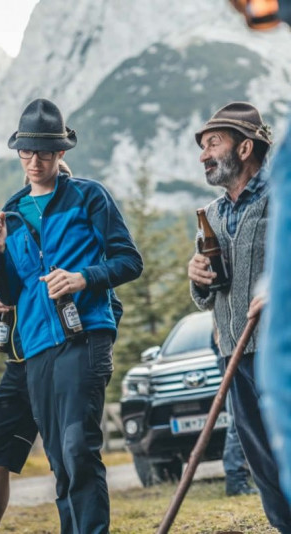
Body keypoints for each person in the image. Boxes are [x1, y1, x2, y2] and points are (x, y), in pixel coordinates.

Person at [0, 98, 143, 534]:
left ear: (61, 153)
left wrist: (82, 278)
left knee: (77, 447)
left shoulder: (89, 196)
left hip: (86, 334)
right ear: (18, 153)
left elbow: (130, 261)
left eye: (45, 153)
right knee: (57, 457)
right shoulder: (10, 213)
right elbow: (9, 293)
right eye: (27, 153)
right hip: (35, 345)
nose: (35, 161)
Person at [188, 101, 291, 531]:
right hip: (234, 356)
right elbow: (207, 296)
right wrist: (197, 278)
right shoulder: (211, 214)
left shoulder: (280, 195)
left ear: (246, 148)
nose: (204, 154)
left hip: (279, 349)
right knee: (264, 466)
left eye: (214, 143)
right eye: (202, 146)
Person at [212, 323, 257, 496]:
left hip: (240, 344)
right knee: (239, 420)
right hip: (231, 347)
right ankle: (235, 480)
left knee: (243, 419)